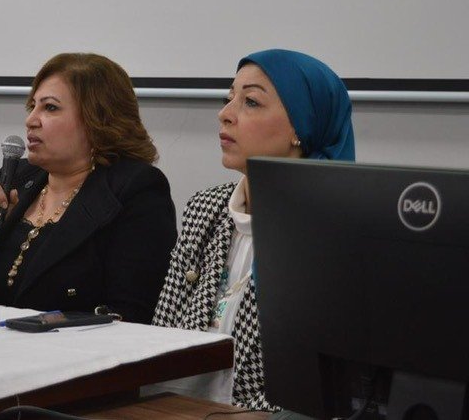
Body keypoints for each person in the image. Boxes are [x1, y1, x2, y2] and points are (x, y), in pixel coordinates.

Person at [152, 48, 355, 410]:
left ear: (301, 128)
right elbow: (161, 339)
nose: (225, 114)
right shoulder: (206, 209)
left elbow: (315, 390)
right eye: (229, 98)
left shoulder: (330, 232)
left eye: (251, 102)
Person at [0, 53, 176, 324]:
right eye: (32, 106)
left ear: (98, 119)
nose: (31, 120)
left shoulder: (135, 190)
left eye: (50, 108)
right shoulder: (17, 178)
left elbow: (132, 316)